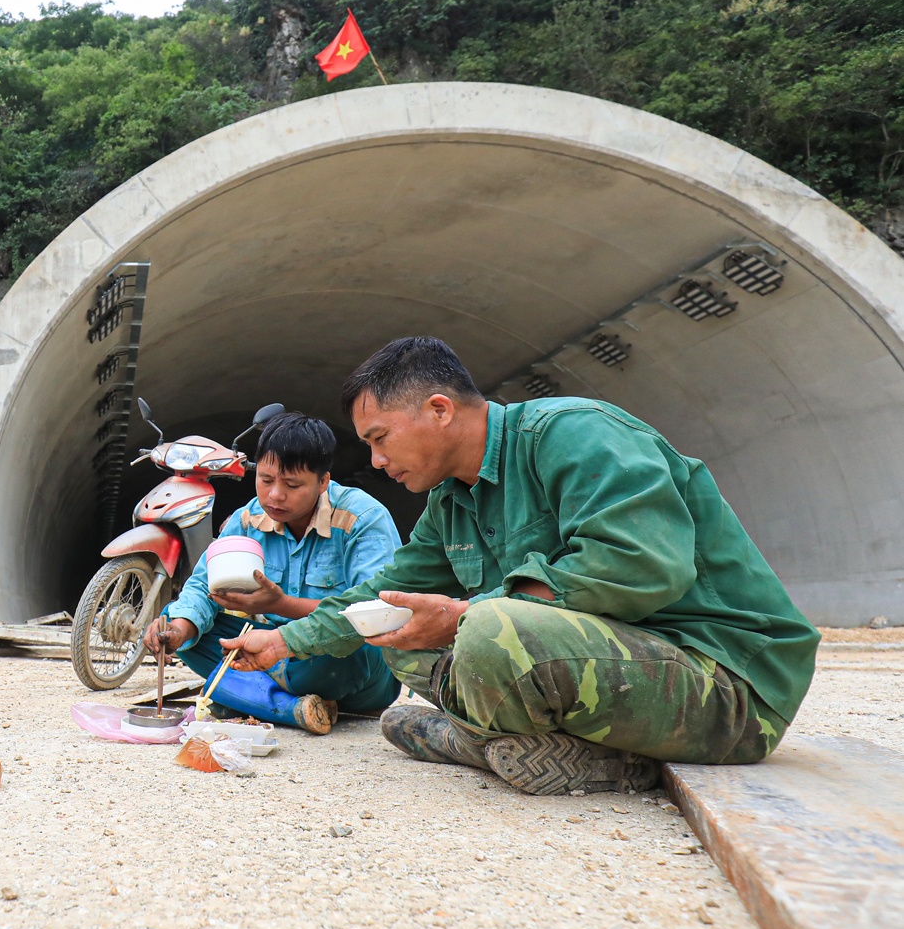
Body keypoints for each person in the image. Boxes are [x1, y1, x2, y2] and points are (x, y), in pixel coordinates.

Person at [222, 336, 819, 795]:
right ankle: (521, 743)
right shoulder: (451, 500)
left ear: (438, 409)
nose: (375, 461)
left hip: (724, 686)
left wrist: (464, 617)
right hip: (620, 667)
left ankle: (517, 746)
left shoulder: (575, 434)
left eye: (379, 439)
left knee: (486, 628)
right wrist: (283, 641)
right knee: (393, 627)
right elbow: (386, 590)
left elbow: (642, 565)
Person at [142, 411, 403, 734]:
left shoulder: (362, 519)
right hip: (266, 653)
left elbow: (373, 614)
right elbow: (201, 587)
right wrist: (179, 630)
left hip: (336, 665)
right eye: (266, 480)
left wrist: (279, 606)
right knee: (180, 622)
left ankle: (245, 695)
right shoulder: (247, 520)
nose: (275, 495)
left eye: (292, 484)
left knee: (352, 645)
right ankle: (288, 707)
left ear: (323, 482)